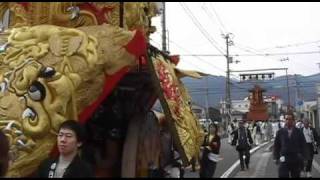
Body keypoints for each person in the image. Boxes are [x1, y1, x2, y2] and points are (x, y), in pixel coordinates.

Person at [273, 113, 306, 178]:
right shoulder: (280, 132)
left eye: (290, 119)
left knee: (296, 175)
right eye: (286, 119)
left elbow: (303, 145)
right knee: (282, 175)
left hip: (295, 158)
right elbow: (276, 145)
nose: (288, 121)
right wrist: (276, 157)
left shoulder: (298, 132)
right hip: (284, 158)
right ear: (285, 120)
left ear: (293, 120)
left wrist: (304, 158)